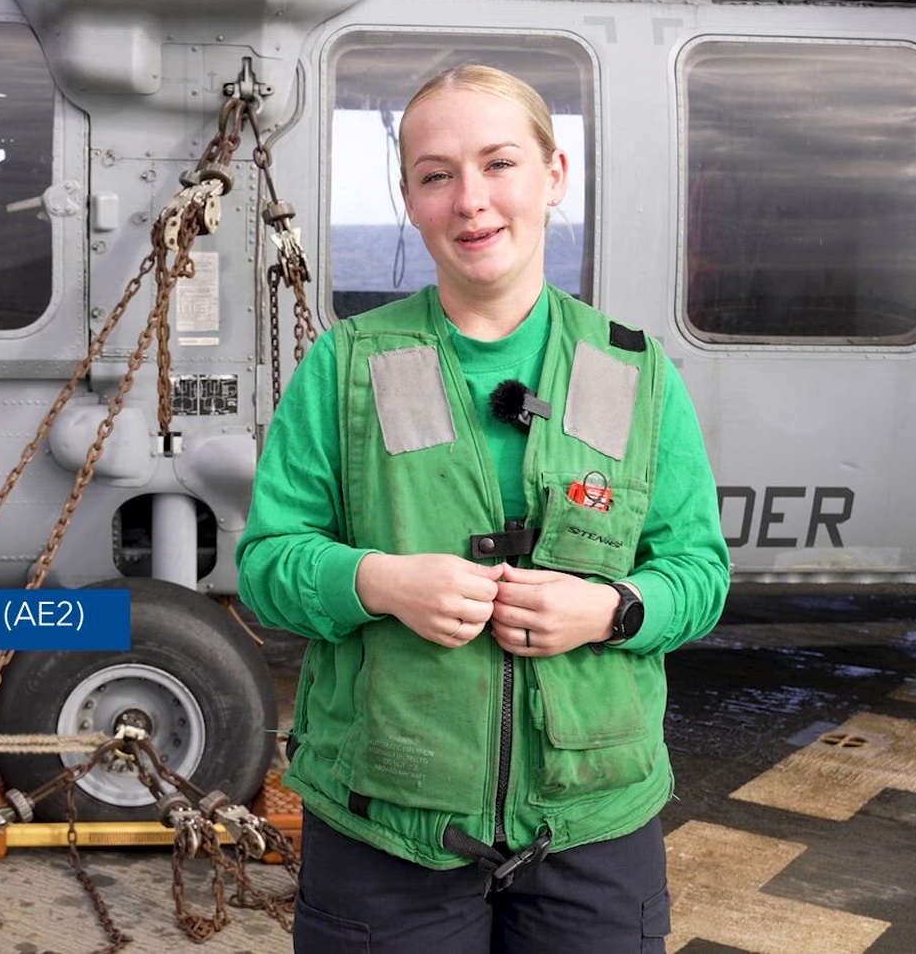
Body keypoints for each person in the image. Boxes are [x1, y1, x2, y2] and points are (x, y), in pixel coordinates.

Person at [236, 65, 731, 953]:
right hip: (387, 824)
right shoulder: (349, 367)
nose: (472, 200)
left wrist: (612, 607)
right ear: (409, 198)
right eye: (437, 174)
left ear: (554, 175)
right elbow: (270, 567)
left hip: (591, 825)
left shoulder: (634, 373)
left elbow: (697, 572)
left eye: (499, 163)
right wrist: (378, 580)